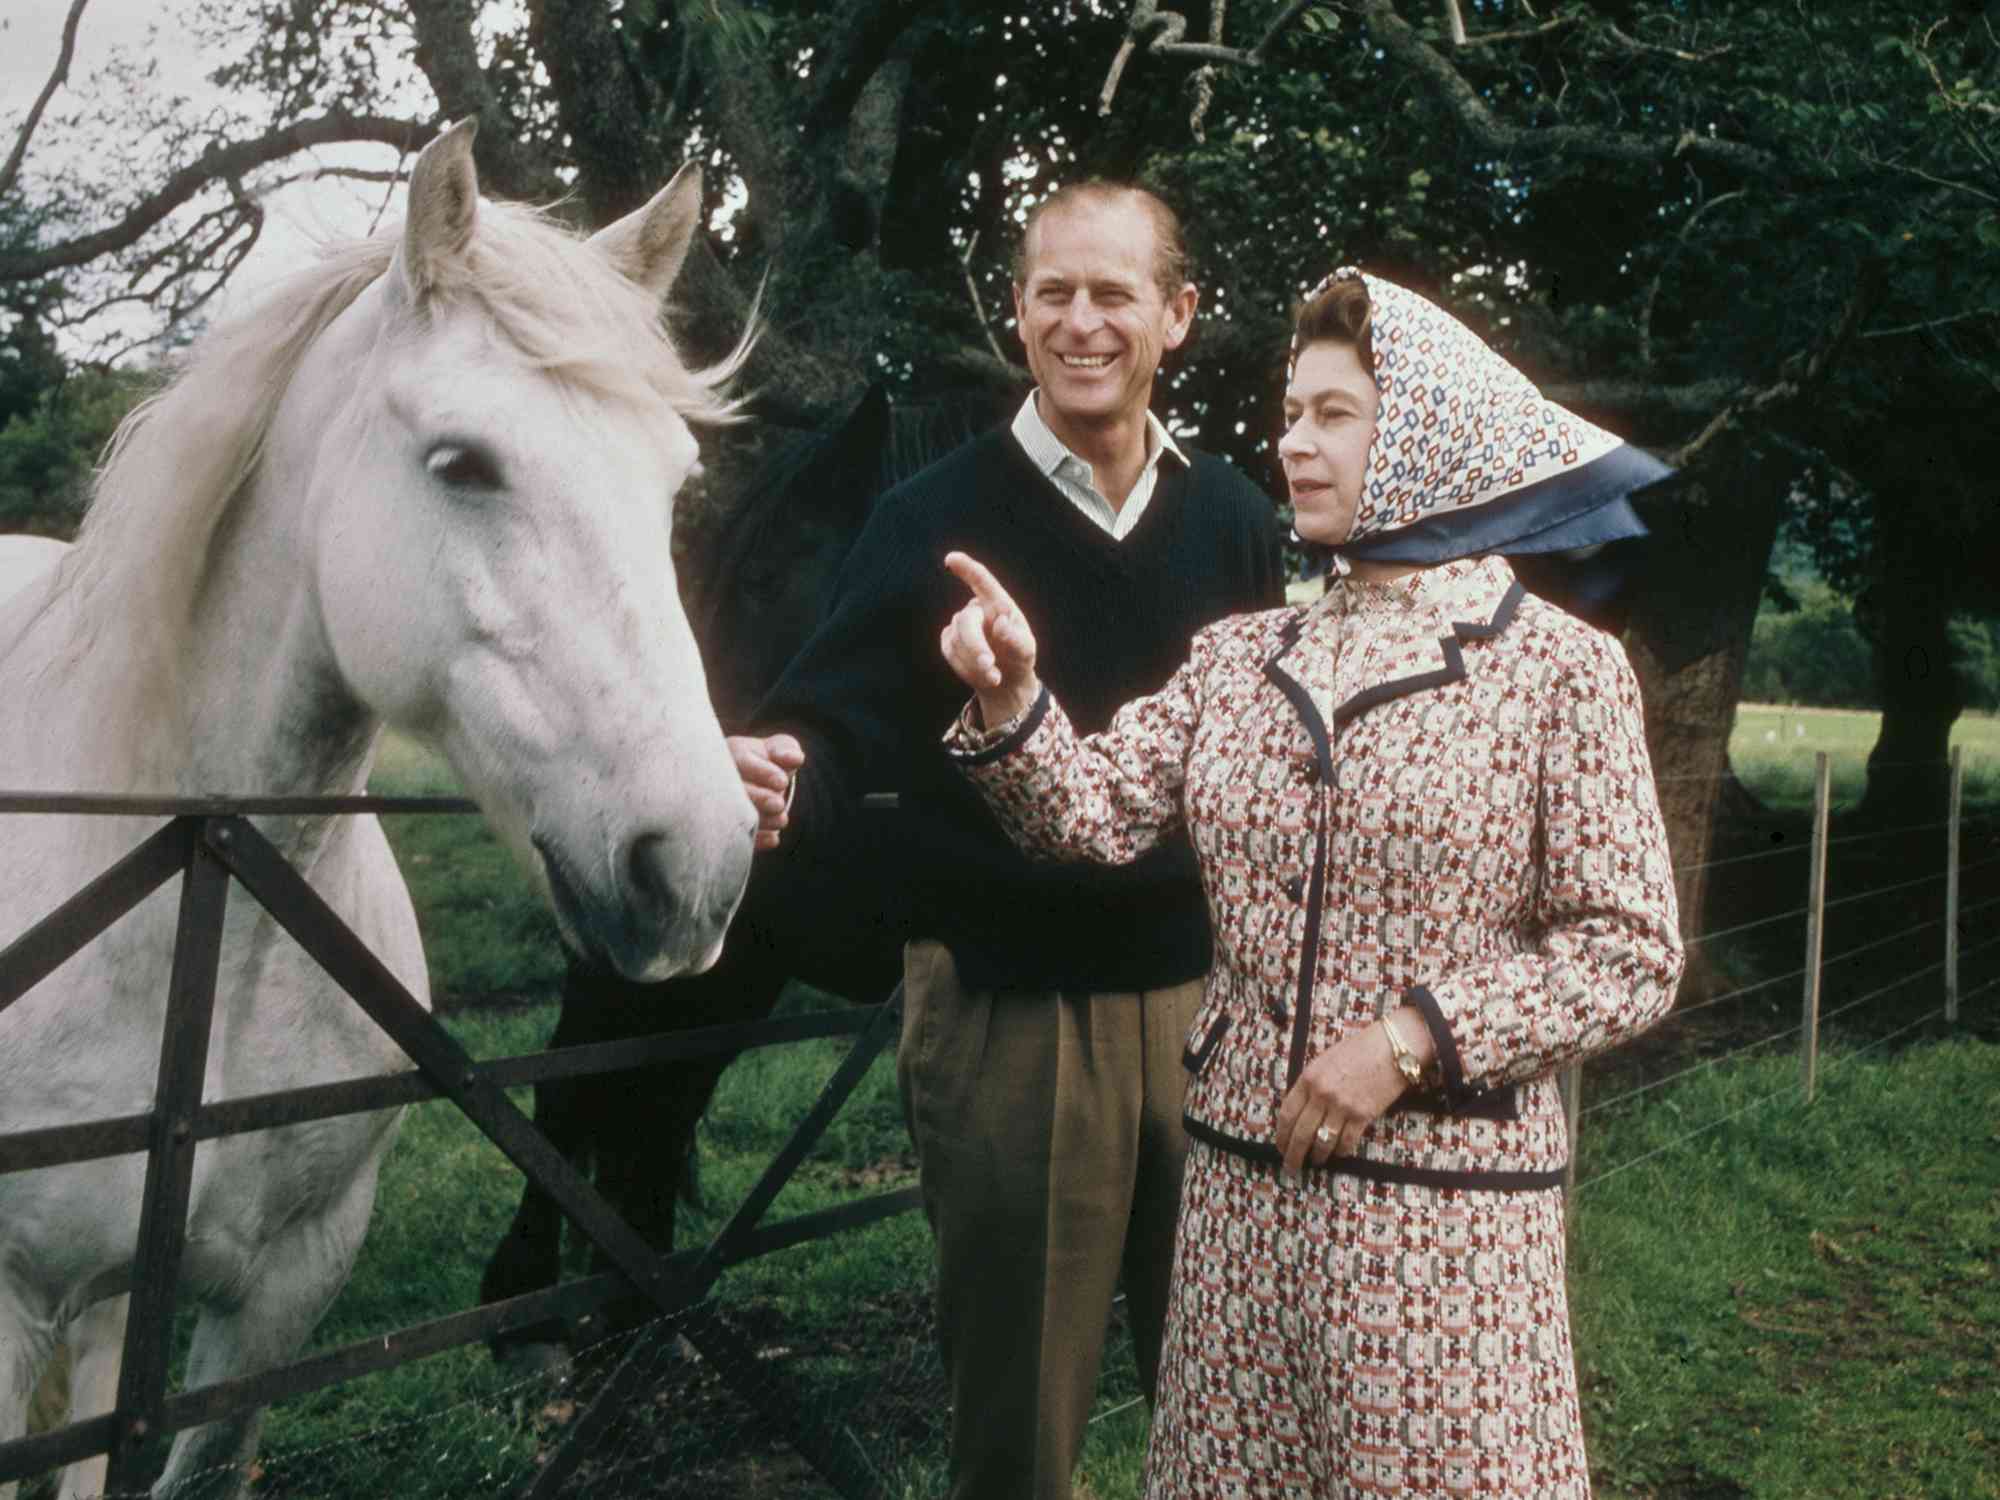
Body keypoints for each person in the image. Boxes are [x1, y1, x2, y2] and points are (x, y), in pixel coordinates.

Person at [936, 266, 1685, 1499]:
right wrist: (1011, 693)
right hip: (1239, 1208)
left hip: (1446, 1229)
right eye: (1288, 414)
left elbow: (1628, 951)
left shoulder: (1557, 671)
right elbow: (1086, 816)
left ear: (1431, 433)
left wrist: (1407, 1039)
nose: (1291, 442)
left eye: (1333, 414)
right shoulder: (1240, 654)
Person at [731, 183, 1284, 1499]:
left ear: (1178, 317)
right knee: (1020, 1429)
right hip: (1013, 1015)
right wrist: (779, 772)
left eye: (1114, 293)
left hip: (1213, 1015)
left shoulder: (1236, 522)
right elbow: (834, 713)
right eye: (1054, 292)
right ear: (1017, 310)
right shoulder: (934, 514)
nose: (1081, 320)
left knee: (1226, 1405)